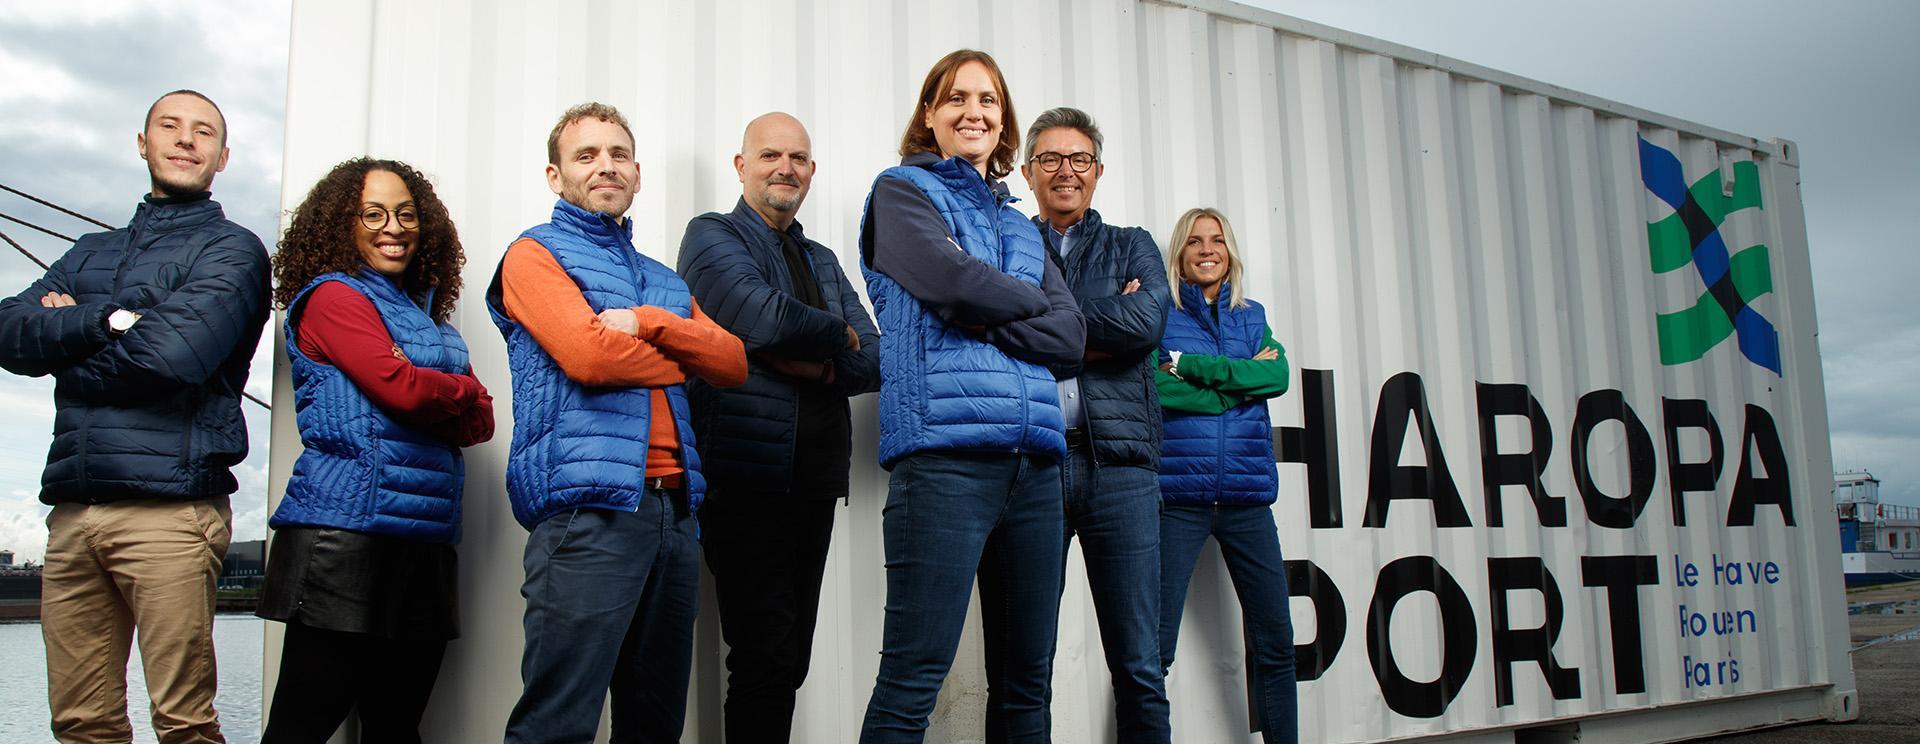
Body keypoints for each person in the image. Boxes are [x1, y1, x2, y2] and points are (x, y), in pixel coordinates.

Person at [0, 89, 269, 744]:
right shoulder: (88, 250)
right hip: (72, 513)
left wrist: (64, 342)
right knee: (81, 723)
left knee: (182, 724)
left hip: (172, 512)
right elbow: (9, 331)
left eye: (202, 131)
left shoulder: (232, 252)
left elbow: (171, 358)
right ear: (141, 142)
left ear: (223, 156)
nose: (185, 139)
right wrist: (108, 321)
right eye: (169, 126)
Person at [487, 102, 747, 744]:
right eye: (586, 155)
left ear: (637, 172)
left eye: (618, 155)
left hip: (675, 516)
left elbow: (735, 362)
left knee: (654, 725)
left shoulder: (661, 281)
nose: (606, 166)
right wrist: (684, 355)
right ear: (555, 176)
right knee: (557, 723)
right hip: (588, 516)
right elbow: (589, 356)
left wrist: (651, 323)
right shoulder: (532, 254)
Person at [856, 49, 1087, 743]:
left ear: (1004, 119)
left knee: (1027, 687)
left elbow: (1071, 336)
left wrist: (983, 306)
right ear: (930, 114)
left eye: (988, 100)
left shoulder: (1021, 225)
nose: (974, 111)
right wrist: (1017, 306)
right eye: (956, 98)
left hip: (1037, 470)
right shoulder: (900, 193)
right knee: (912, 681)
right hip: (945, 461)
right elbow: (948, 283)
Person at [256, 158, 494, 743]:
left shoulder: (428, 321)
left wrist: (445, 393)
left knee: (396, 730)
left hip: (424, 542)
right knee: (299, 730)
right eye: (375, 213)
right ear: (343, 224)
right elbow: (404, 390)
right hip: (344, 540)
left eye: (407, 213)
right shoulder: (333, 297)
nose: (394, 226)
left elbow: (481, 422)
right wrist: (458, 389)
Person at [675, 112, 880, 743]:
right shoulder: (711, 236)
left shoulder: (818, 258)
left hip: (813, 482)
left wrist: (817, 365)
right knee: (762, 657)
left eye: (797, 158)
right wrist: (833, 335)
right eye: (769, 156)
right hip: (744, 476)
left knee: (789, 660)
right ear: (741, 167)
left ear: (811, 172)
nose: (784, 168)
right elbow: (758, 317)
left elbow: (874, 355)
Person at [1010, 106, 1171, 742]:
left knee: (1139, 665)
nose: (1065, 172)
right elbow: (999, 332)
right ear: (1027, 172)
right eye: (1050, 159)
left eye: (1079, 159)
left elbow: (1148, 326)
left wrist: (1049, 328)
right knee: (1025, 667)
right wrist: (1108, 324)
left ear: (1098, 172)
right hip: (1034, 468)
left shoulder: (1133, 244)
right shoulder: (1009, 244)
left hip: (1122, 473)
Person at [1154, 208, 1296, 744]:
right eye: (1194, 241)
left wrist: (1190, 365)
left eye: (1216, 240)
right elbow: (1155, 386)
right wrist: (1241, 385)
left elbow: (1277, 375)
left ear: (1230, 250)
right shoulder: (1162, 316)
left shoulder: (1251, 315)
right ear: (1180, 254)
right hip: (1178, 498)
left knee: (1276, 641)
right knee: (1155, 649)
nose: (1206, 249)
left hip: (1247, 498)